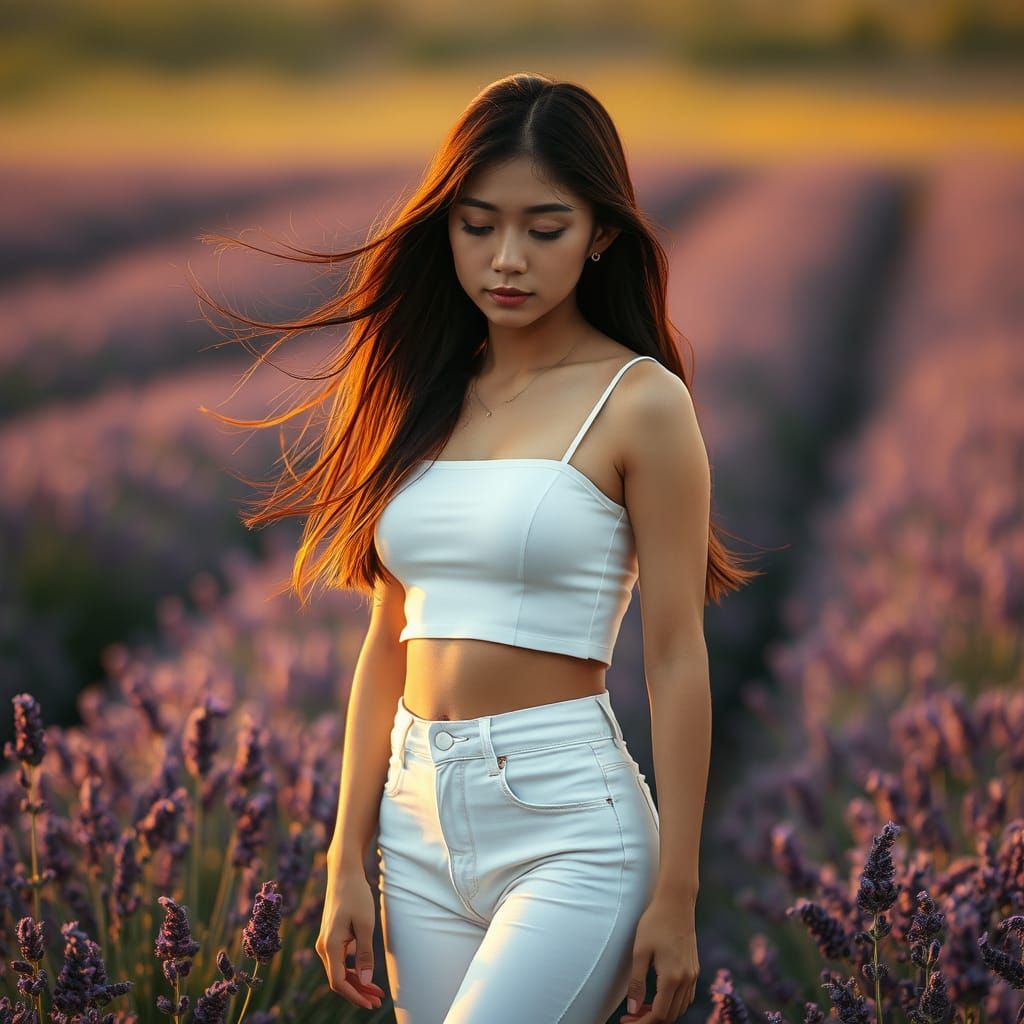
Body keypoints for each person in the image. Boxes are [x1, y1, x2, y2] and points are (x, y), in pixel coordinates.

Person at [197, 71, 760, 1024]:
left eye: (545, 230)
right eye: (476, 225)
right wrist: (347, 859)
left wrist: (678, 892)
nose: (508, 258)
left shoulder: (642, 402)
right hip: (414, 823)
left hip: (568, 825)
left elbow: (673, 655)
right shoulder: (424, 390)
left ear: (602, 236)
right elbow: (390, 638)